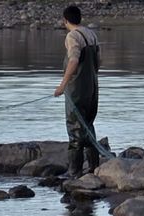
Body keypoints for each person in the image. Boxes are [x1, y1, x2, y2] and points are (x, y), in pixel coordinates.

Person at [53, 4, 101, 178]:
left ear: (65, 20)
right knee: (88, 126)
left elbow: (73, 60)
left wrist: (62, 85)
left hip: (76, 91)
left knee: (75, 130)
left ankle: (75, 173)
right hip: (92, 89)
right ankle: (94, 168)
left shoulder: (72, 36)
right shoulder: (91, 34)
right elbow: (98, 62)